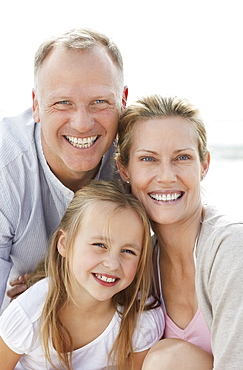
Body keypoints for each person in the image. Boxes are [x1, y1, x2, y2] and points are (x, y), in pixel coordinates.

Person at [0, 28, 128, 310]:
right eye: (62, 103)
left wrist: (53, 284)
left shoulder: (138, 159)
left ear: (123, 100)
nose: (82, 123)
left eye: (99, 102)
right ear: (36, 105)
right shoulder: (5, 169)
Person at [116, 94, 243, 369]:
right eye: (148, 159)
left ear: (204, 165)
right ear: (124, 169)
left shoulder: (231, 248)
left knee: (167, 359)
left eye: (182, 157)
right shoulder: (139, 263)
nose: (166, 176)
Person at [0, 180, 164, 370]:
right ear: (64, 243)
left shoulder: (140, 318)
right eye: (100, 245)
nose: (112, 264)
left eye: (128, 251)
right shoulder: (29, 314)